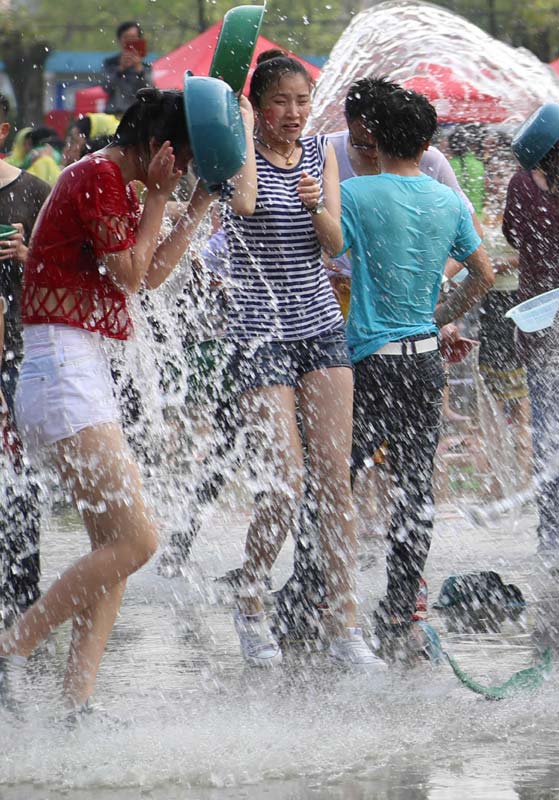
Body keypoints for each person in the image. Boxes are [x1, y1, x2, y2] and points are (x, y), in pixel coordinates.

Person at [0, 87, 249, 713]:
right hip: (62, 371)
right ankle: (15, 642)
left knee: (111, 551)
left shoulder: (118, 183)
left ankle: (76, 704)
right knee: (137, 543)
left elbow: (152, 270)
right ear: (161, 147)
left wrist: (193, 208)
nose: (189, 168)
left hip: (75, 371)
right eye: (186, 159)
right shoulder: (96, 177)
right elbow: (131, 275)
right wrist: (164, 197)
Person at [223, 51, 385, 670]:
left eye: (302, 101)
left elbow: (334, 242)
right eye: (280, 102)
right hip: (259, 331)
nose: (293, 113)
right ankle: (250, 598)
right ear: (258, 107)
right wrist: (238, 129)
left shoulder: (320, 155)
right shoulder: (233, 154)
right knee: (286, 484)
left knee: (334, 482)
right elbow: (242, 204)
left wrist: (318, 202)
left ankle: (345, 626)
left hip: (320, 326)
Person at [337, 87, 493, 658]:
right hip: (425, 362)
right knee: (414, 488)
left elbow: (328, 255)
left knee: (339, 480)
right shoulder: (448, 203)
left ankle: (311, 596)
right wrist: (436, 316)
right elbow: (482, 272)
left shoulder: (353, 193)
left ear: (372, 140)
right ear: (427, 144)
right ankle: (399, 609)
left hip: (369, 362)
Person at [0, 94, 51, 627]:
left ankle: (22, 587)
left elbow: (70, 271)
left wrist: (26, 256)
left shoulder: (35, 192)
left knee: (19, 474)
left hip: (17, 351)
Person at [503, 130, 559, 552]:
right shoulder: (524, 182)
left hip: (539, 317)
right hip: (541, 322)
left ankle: (551, 532)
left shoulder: (521, 181)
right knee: (545, 427)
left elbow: (513, 236)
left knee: (546, 429)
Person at [101, 21, 153, 117]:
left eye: (133, 38)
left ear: (139, 40)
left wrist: (139, 69)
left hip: (138, 114)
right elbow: (106, 87)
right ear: (120, 40)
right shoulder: (111, 63)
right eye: (126, 37)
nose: (130, 42)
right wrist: (120, 69)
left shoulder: (145, 67)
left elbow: (149, 90)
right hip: (114, 114)